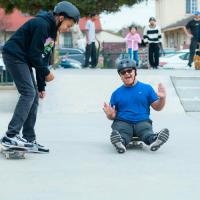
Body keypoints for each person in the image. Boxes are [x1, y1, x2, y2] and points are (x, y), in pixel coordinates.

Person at [0, 1, 80, 152]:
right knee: (28, 93)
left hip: (24, 59)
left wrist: (41, 86)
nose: (66, 29)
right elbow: (34, 55)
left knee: (34, 95)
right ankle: (10, 136)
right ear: (61, 18)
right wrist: (46, 73)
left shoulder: (51, 33)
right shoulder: (41, 25)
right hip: (14, 55)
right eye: (68, 26)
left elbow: (42, 59)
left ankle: (29, 139)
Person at [103, 54, 169, 153]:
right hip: (123, 121)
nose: (127, 74)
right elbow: (113, 115)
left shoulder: (147, 88)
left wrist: (163, 98)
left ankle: (155, 139)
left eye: (129, 71)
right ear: (120, 76)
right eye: (123, 72)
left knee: (146, 131)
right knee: (123, 132)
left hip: (142, 121)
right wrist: (110, 115)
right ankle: (120, 142)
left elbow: (157, 107)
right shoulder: (116, 93)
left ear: (135, 72)